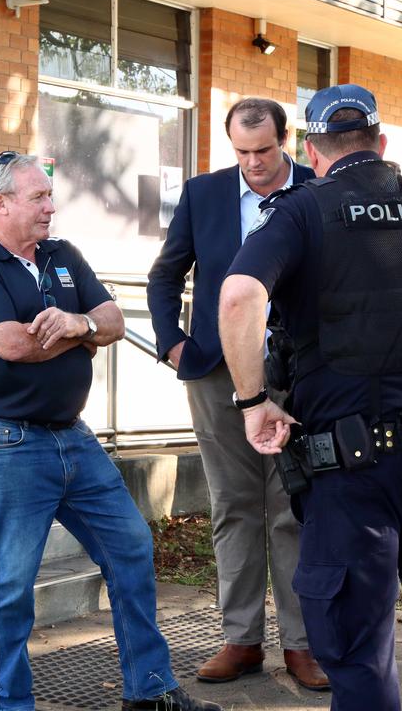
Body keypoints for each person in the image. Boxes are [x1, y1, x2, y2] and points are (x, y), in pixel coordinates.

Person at [218, 84, 402, 711]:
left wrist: (252, 403)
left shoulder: (301, 212)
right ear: (381, 143)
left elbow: (239, 296)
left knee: (359, 643)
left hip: (352, 474)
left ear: (311, 150)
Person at [0, 153, 221, 711]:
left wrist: (80, 323)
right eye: (38, 198)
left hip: (75, 437)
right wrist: (87, 332)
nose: (51, 207)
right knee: (12, 587)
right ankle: (12, 704)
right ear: (0, 204)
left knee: (131, 546)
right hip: (11, 444)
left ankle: (148, 692)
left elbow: (115, 321)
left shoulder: (62, 255)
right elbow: (13, 345)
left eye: (51, 196)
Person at [147, 98, 326, 689]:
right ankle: (242, 640)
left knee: (293, 508)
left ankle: (303, 645)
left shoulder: (318, 190)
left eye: (264, 151)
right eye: (242, 152)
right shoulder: (203, 194)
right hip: (218, 369)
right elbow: (167, 272)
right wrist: (172, 342)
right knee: (233, 504)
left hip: (302, 372)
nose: (253, 163)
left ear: (289, 142)